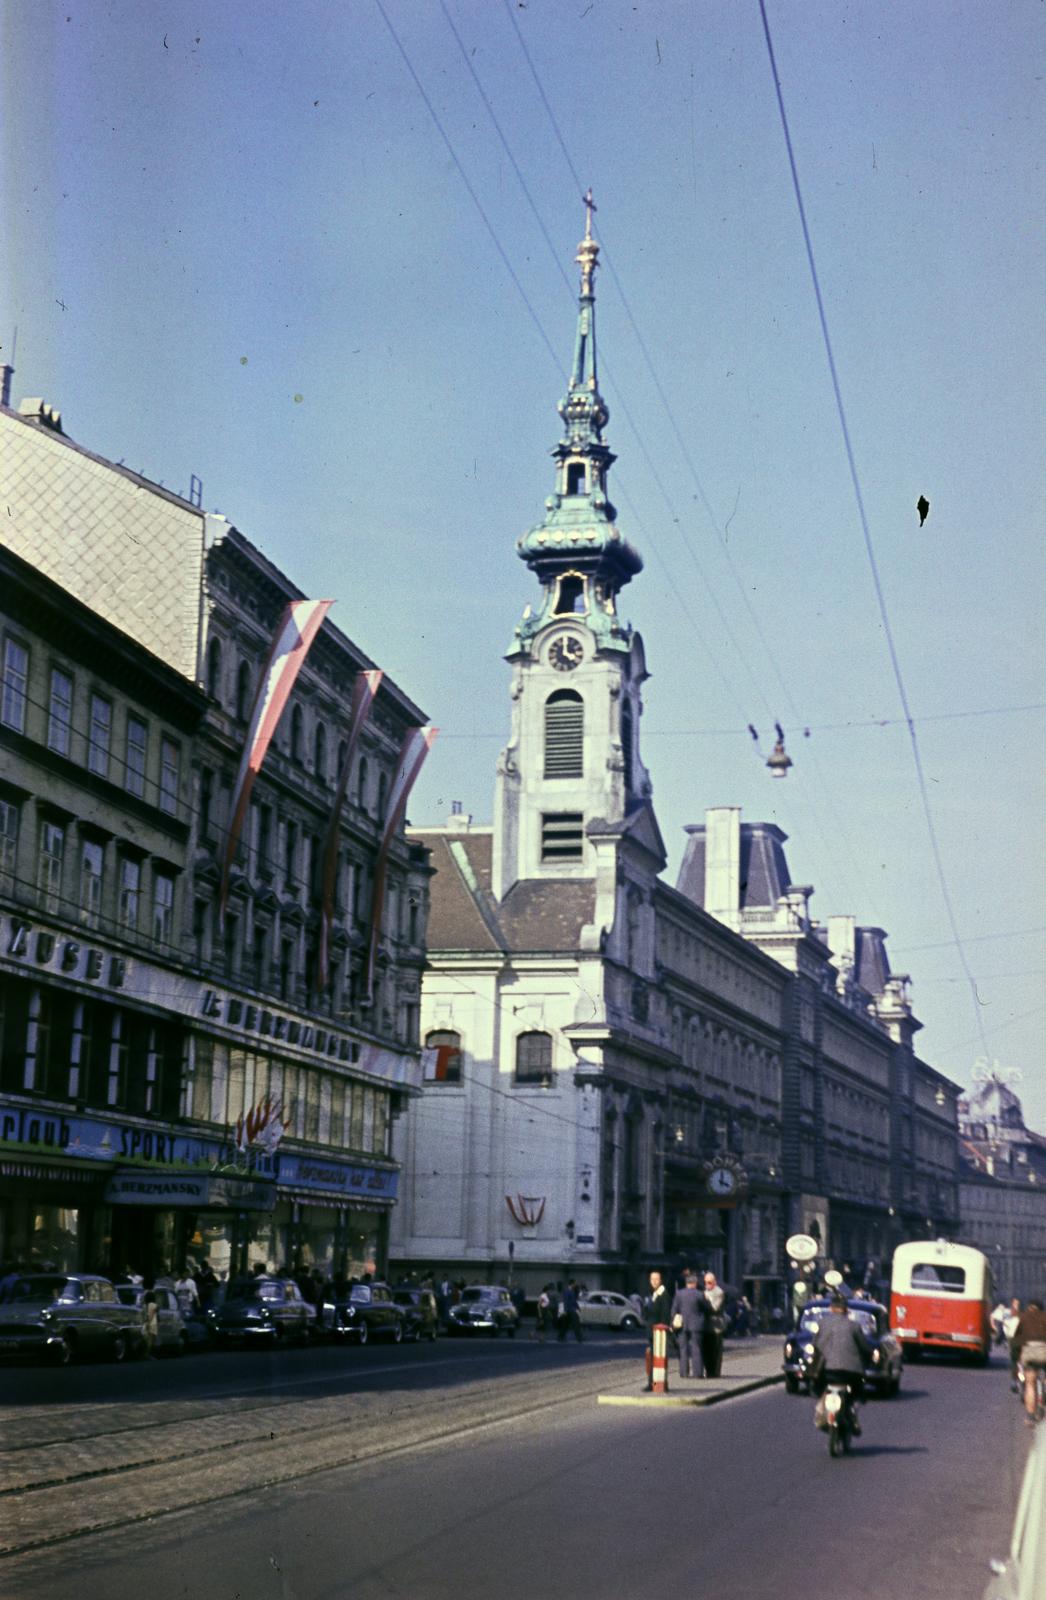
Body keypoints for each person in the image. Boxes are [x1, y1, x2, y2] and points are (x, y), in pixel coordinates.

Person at [811, 1293, 873, 1435]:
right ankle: (852, 1414)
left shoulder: (823, 1323)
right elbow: (864, 1347)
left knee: (819, 1389)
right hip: (851, 1372)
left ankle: (821, 1412)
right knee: (857, 1393)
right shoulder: (854, 1326)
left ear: (831, 1308)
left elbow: (815, 1345)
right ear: (846, 1309)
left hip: (827, 1371)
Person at [1012, 1298, 1046, 1425]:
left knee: (1030, 1384)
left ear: (1029, 1307)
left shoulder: (1024, 1318)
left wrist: (1015, 1357)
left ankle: (1031, 1416)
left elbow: (1016, 1340)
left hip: (1030, 1351)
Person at [642, 1270, 673, 1390]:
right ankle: (653, 1384)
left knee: (657, 1361)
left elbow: (665, 1316)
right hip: (651, 1332)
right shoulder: (652, 1294)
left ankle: (655, 1385)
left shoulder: (664, 1295)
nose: (654, 1282)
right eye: (652, 1279)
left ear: (661, 1280)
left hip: (658, 1334)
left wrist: (662, 1332)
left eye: (656, 1279)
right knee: (652, 1360)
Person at [670, 1271, 704, 1379]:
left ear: (686, 1283)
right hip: (696, 1325)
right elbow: (706, 1308)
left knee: (683, 1349)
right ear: (695, 1283)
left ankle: (684, 1373)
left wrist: (673, 1322)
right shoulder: (699, 1294)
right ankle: (697, 1373)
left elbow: (674, 1310)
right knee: (696, 1348)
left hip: (682, 1325)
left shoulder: (679, 1294)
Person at [700, 1272, 726, 1378]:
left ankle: (715, 1372)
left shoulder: (719, 1292)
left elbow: (715, 1308)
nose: (707, 1284)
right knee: (706, 1350)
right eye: (705, 1282)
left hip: (716, 1327)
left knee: (715, 1351)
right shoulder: (705, 1292)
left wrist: (705, 1301)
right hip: (705, 1326)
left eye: (709, 1282)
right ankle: (708, 1371)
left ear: (714, 1282)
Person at [1004, 1297, 1023, 1390]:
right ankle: (1014, 1380)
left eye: (1018, 1303)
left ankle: (1017, 1380)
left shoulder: (1021, 1313)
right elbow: (1005, 1323)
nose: (1017, 1305)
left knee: (1018, 1361)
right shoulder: (1008, 1312)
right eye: (1015, 1303)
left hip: (1018, 1339)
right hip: (1012, 1338)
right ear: (1012, 1303)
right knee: (1014, 1361)